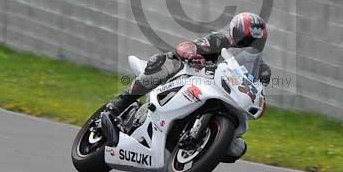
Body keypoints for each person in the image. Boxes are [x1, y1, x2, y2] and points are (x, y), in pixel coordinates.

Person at [100, 12, 270, 161]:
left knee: (237, 148)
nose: (248, 45)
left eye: (254, 42)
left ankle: (204, 142)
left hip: (220, 94)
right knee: (167, 61)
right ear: (236, 33)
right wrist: (191, 54)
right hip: (191, 78)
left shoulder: (258, 66)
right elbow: (186, 46)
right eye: (246, 40)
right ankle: (117, 106)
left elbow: (255, 88)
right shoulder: (218, 40)